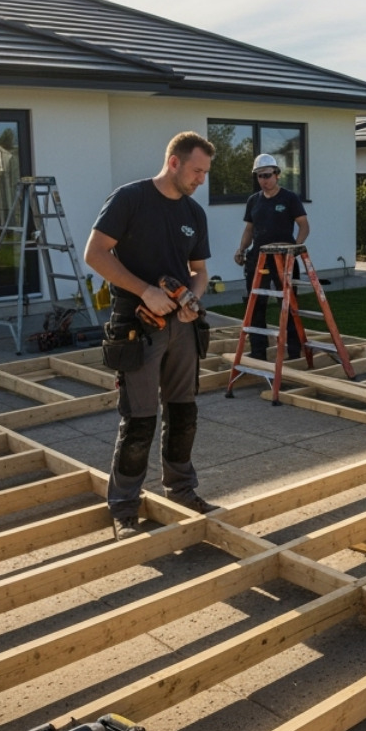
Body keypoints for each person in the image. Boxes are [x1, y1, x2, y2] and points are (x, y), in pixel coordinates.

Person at [85, 131, 218, 539]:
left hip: (182, 326)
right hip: (136, 325)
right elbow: (95, 254)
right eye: (197, 170)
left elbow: (199, 272)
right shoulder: (130, 199)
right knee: (140, 419)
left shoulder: (194, 214)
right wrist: (145, 291)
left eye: (206, 172)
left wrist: (191, 300)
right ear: (174, 162)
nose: (201, 179)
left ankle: (181, 489)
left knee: (183, 412)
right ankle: (124, 506)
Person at [233, 154, 310, 360]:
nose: (263, 180)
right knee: (256, 304)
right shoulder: (253, 201)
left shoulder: (289, 198)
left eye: (267, 175)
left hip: (284, 259)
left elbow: (304, 225)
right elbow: (249, 229)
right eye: (259, 176)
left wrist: (295, 249)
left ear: (277, 175)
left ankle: (293, 351)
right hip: (258, 259)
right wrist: (241, 249)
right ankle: (258, 351)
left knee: (288, 304)